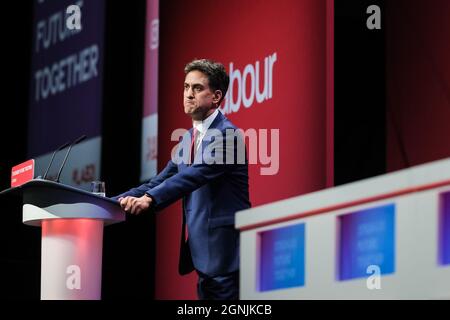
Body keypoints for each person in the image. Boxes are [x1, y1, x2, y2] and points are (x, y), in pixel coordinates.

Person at [113, 59, 251, 300]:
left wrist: (149, 200)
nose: (188, 94)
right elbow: (158, 181)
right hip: (204, 258)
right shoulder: (188, 138)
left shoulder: (227, 135)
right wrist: (109, 202)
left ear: (216, 96)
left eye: (197, 88)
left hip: (227, 257)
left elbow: (193, 176)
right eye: (186, 87)